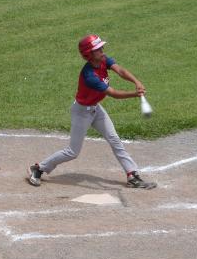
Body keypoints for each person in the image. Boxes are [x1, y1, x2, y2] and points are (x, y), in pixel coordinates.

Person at [28, 34, 156, 189]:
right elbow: (113, 93)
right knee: (72, 152)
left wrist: (137, 82)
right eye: (98, 49)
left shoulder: (103, 60)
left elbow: (120, 70)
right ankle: (39, 168)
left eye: (101, 47)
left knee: (114, 139)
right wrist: (134, 94)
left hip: (96, 109)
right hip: (81, 112)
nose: (102, 50)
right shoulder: (89, 76)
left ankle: (132, 174)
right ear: (89, 54)